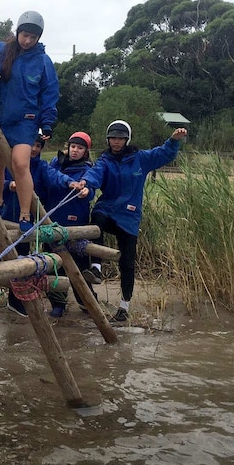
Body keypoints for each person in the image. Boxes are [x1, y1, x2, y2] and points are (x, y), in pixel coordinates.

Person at [75, 120, 187, 322]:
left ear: (127, 139)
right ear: (108, 139)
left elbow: (163, 154)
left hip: (129, 216)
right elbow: (94, 174)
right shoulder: (105, 160)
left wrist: (173, 140)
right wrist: (86, 183)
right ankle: (97, 268)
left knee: (127, 263)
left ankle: (124, 308)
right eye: (113, 138)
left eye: (120, 138)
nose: (116, 142)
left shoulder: (140, 159)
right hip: (108, 209)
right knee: (96, 218)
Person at [0, 10, 60, 233]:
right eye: (25, 35)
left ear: (39, 38)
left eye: (33, 37)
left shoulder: (42, 62)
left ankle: (25, 214)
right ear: (18, 32)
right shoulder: (0, 50)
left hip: (26, 121)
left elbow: (50, 94)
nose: (28, 40)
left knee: (20, 164)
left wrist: (48, 122)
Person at [0, 136, 78, 317]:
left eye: (38, 146)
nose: (34, 149)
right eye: (32, 144)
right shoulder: (10, 161)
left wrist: (70, 183)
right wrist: (10, 185)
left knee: (20, 263)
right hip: (1, 218)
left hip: (24, 224)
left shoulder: (40, 167)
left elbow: (55, 176)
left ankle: (15, 301)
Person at [44, 131, 96, 318]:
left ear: (85, 151)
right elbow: (48, 180)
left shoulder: (89, 169)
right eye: (73, 146)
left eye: (80, 148)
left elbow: (91, 190)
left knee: (80, 264)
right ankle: (58, 303)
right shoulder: (54, 164)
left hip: (77, 223)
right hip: (52, 220)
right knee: (53, 265)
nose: (75, 150)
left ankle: (86, 300)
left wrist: (86, 193)